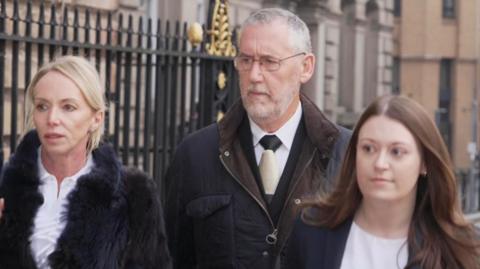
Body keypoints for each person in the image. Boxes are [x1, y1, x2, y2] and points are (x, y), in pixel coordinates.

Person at [164, 8, 351, 269]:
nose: (254, 75)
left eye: (269, 62)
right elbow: (172, 257)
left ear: (305, 67)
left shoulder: (348, 155)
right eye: (245, 60)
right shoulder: (194, 155)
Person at [0, 55, 171, 268]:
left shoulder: (134, 193)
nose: (52, 118)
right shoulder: (7, 188)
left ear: (96, 118)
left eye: (68, 107)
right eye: (42, 106)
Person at [284, 95, 480, 269]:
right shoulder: (312, 230)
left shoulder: (459, 249)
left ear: (424, 163)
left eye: (396, 152)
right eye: (368, 148)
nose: (380, 164)